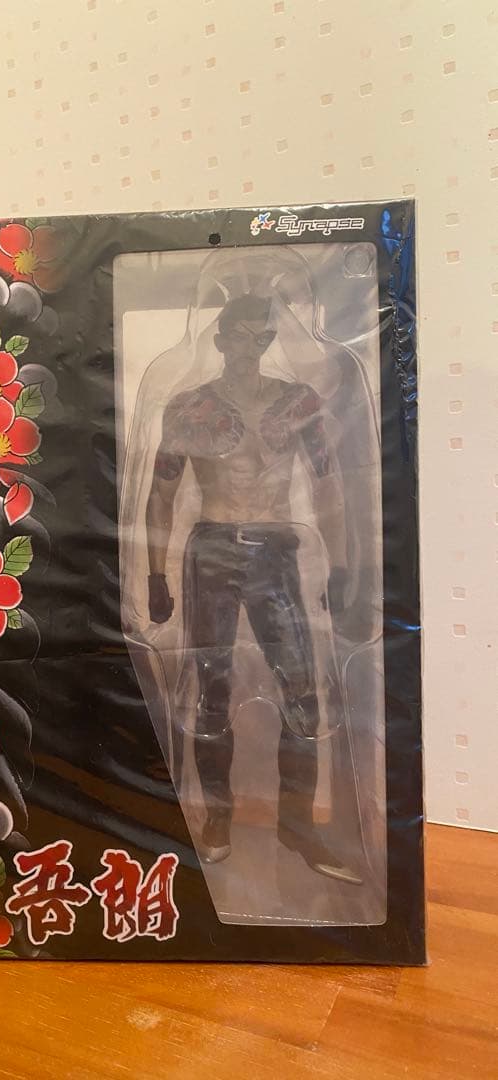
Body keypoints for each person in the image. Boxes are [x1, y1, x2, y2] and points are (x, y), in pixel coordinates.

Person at [145, 292, 361, 884]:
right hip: (213, 548)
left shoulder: (297, 402)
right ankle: (217, 815)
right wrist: (155, 573)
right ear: (219, 340)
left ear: (269, 339)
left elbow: (329, 485)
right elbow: (162, 492)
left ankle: (298, 823)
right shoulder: (191, 406)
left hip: (276, 549)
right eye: (239, 335)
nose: (250, 346)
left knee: (302, 689)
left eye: (260, 335)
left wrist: (341, 565)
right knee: (210, 687)